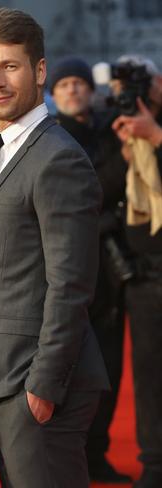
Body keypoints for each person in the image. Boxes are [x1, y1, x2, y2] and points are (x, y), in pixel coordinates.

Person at [0, 8, 110, 487]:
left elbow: (72, 284)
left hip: (37, 386)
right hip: (6, 378)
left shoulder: (57, 158)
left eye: (9, 66)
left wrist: (43, 384)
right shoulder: (5, 147)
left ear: (40, 71)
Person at [50, 56, 132, 484]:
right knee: (73, 371)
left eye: (79, 83)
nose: (73, 90)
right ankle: (75, 457)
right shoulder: (56, 140)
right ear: (55, 93)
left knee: (112, 370)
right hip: (74, 275)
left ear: (92, 90)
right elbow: (93, 193)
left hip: (113, 275)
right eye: (64, 84)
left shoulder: (110, 128)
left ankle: (96, 454)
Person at [110, 54, 162, 488]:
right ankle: (155, 465)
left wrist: (157, 136)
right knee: (148, 376)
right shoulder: (118, 128)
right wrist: (127, 152)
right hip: (143, 275)